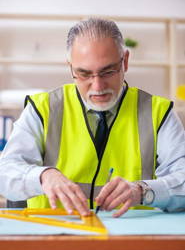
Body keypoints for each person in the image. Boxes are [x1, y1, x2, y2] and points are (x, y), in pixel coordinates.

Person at [0, 17, 185, 218]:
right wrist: (44, 176)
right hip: (52, 233)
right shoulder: (42, 109)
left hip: (133, 236)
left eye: (107, 72)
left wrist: (143, 191)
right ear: (70, 67)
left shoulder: (159, 112)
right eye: (84, 73)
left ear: (125, 61)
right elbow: (6, 173)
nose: (97, 86)